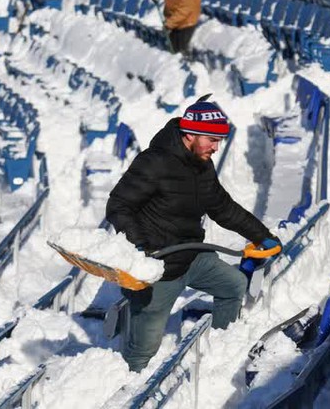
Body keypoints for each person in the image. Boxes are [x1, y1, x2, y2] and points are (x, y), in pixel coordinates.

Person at [106, 96, 281, 372]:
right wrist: (139, 247)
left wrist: (262, 235)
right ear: (190, 133)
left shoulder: (202, 165)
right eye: (212, 139)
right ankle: (130, 390)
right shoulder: (154, 163)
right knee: (143, 352)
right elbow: (118, 205)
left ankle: (218, 357)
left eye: (219, 140)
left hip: (191, 255)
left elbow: (222, 207)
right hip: (158, 267)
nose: (216, 146)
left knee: (233, 285)